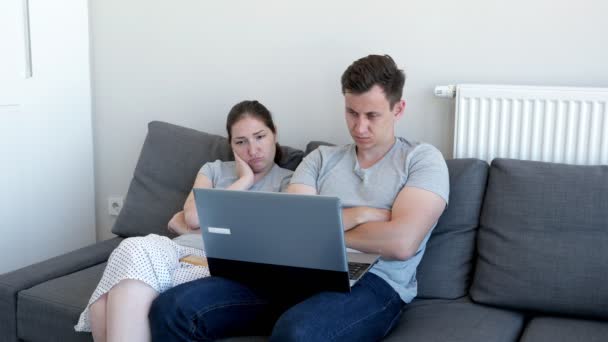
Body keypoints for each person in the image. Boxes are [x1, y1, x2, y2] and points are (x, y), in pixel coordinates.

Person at [148, 54, 450, 341]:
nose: (359, 127)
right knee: (173, 308)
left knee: (299, 334)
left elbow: (401, 243)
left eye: (372, 115)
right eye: (351, 112)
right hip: (296, 273)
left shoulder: (421, 160)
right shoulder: (321, 158)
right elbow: (292, 228)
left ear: (398, 109)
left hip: (375, 282)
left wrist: (321, 227)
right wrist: (358, 215)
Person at [74, 100, 293, 342]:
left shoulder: (289, 183)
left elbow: (256, 239)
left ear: (274, 133)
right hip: (176, 250)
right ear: (231, 145)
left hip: (213, 263)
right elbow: (193, 217)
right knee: (132, 246)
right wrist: (244, 181)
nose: (252, 150)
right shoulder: (214, 169)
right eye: (241, 142)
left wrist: (192, 226)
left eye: (260, 137)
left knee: (103, 303)